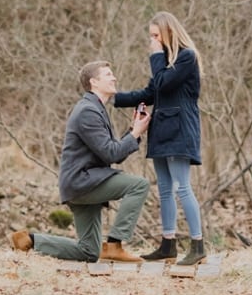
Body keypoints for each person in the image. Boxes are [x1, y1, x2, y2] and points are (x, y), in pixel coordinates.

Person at [10, 61, 152, 263]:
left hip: (84, 183)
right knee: (139, 185)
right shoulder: (88, 111)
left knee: (89, 252)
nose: (114, 78)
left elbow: (112, 153)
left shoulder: (95, 108)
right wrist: (136, 133)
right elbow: (112, 155)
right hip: (83, 182)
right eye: (108, 74)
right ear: (94, 82)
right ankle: (114, 244)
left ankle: (29, 240)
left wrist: (133, 132)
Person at [114, 11, 207, 266]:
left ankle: (198, 245)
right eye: (151, 36)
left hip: (180, 131)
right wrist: (113, 97)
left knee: (183, 187)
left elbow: (164, 83)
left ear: (169, 32)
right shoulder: (163, 63)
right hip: (161, 131)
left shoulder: (187, 57)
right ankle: (168, 244)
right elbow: (151, 92)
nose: (153, 40)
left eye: (156, 35)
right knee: (165, 189)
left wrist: (155, 55)